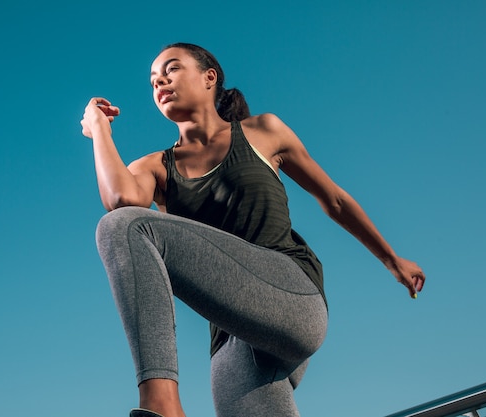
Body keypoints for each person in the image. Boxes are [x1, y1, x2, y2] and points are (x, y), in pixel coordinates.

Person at [80, 43, 425, 417]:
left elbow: (334, 200)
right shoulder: (155, 167)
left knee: (125, 226)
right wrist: (100, 130)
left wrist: (392, 260)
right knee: (122, 225)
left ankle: (162, 405)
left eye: (172, 69)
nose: (159, 81)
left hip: (291, 295)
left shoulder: (263, 131)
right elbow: (121, 200)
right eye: (152, 80)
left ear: (209, 77)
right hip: (231, 337)